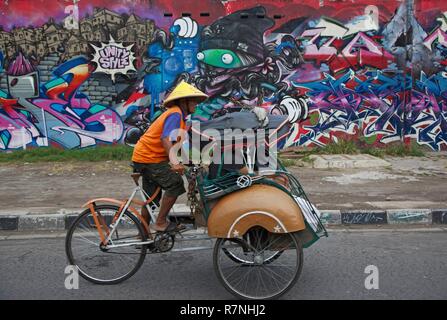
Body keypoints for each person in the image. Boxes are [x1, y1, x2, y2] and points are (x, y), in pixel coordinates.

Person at [132, 80, 208, 232]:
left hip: (145, 158)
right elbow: (165, 138)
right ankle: (160, 222)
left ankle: (143, 235)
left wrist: (188, 161)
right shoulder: (175, 113)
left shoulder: (179, 117)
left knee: (151, 200)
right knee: (175, 184)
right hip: (150, 159)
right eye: (193, 101)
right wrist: (174, 162)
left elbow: (175, 144)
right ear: (183, 101)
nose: (196, 104)